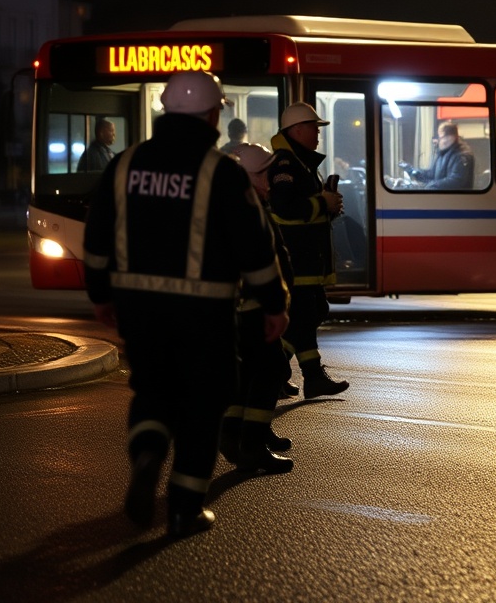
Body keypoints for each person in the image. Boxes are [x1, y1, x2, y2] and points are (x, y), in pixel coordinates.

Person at [83, 70, 289, 539]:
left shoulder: (124, 163)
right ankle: (183, 510)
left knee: (152, 391)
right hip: (205, 313)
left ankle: (147, 454)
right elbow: (256, 249)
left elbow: (96, 240)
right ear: (213, 112)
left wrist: (101, 295)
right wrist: (274, 304)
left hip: (138, 308)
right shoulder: (222, 172)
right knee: (203, 404)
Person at [220, 142, 295, 473]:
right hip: (253, 308)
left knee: (248, 373)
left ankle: (235, 434)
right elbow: (262, 261)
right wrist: (274, 303)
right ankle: (251, 445)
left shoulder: (235, 204)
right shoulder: (247, 209)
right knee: (272, 369)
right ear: (248, 175)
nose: (270, 176)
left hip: (241, 308)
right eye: (264, 171)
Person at [268, 102, 350, 399]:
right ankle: (293, 376)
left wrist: (328, 206)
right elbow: (285, 208)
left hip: (307, 257)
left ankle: (281, 375)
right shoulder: (286, 165)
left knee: (310, 314)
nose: (318, 133)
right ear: (297, 129)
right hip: (297, 257)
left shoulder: (301, 162)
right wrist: (321, 204)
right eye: (314, 127)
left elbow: (304, 208)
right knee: (306, 315)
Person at [403, 121, 475, 189]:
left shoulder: (462, 156)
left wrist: (432, 185)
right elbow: (431, 174)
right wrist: (414, 172)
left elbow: (456, 181)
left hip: (456, 200)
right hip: (442, 198)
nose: (436, 140)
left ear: (450, 138)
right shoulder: (442, 155)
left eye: (440, 137)